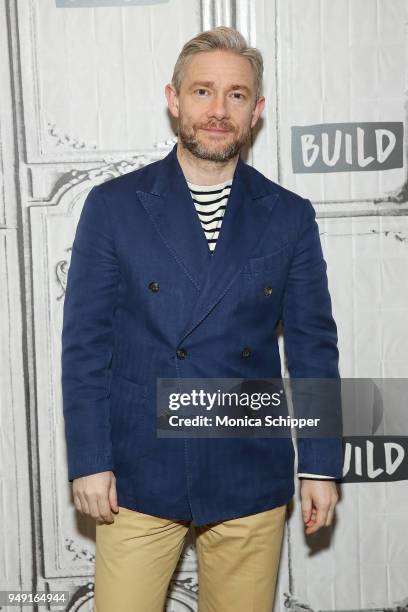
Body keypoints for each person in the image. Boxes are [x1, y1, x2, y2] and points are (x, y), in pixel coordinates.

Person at [61, 26, 342, 612]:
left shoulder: (289, 216)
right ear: (174, 100)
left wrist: (319, 466)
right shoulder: (114, 207)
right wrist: (90, 461)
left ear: (257, 111)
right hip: (137, 475)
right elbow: (86, 346)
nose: (219, 110)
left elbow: (313, 348)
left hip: (247, 471)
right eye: (203, 92)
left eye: (236, 95)